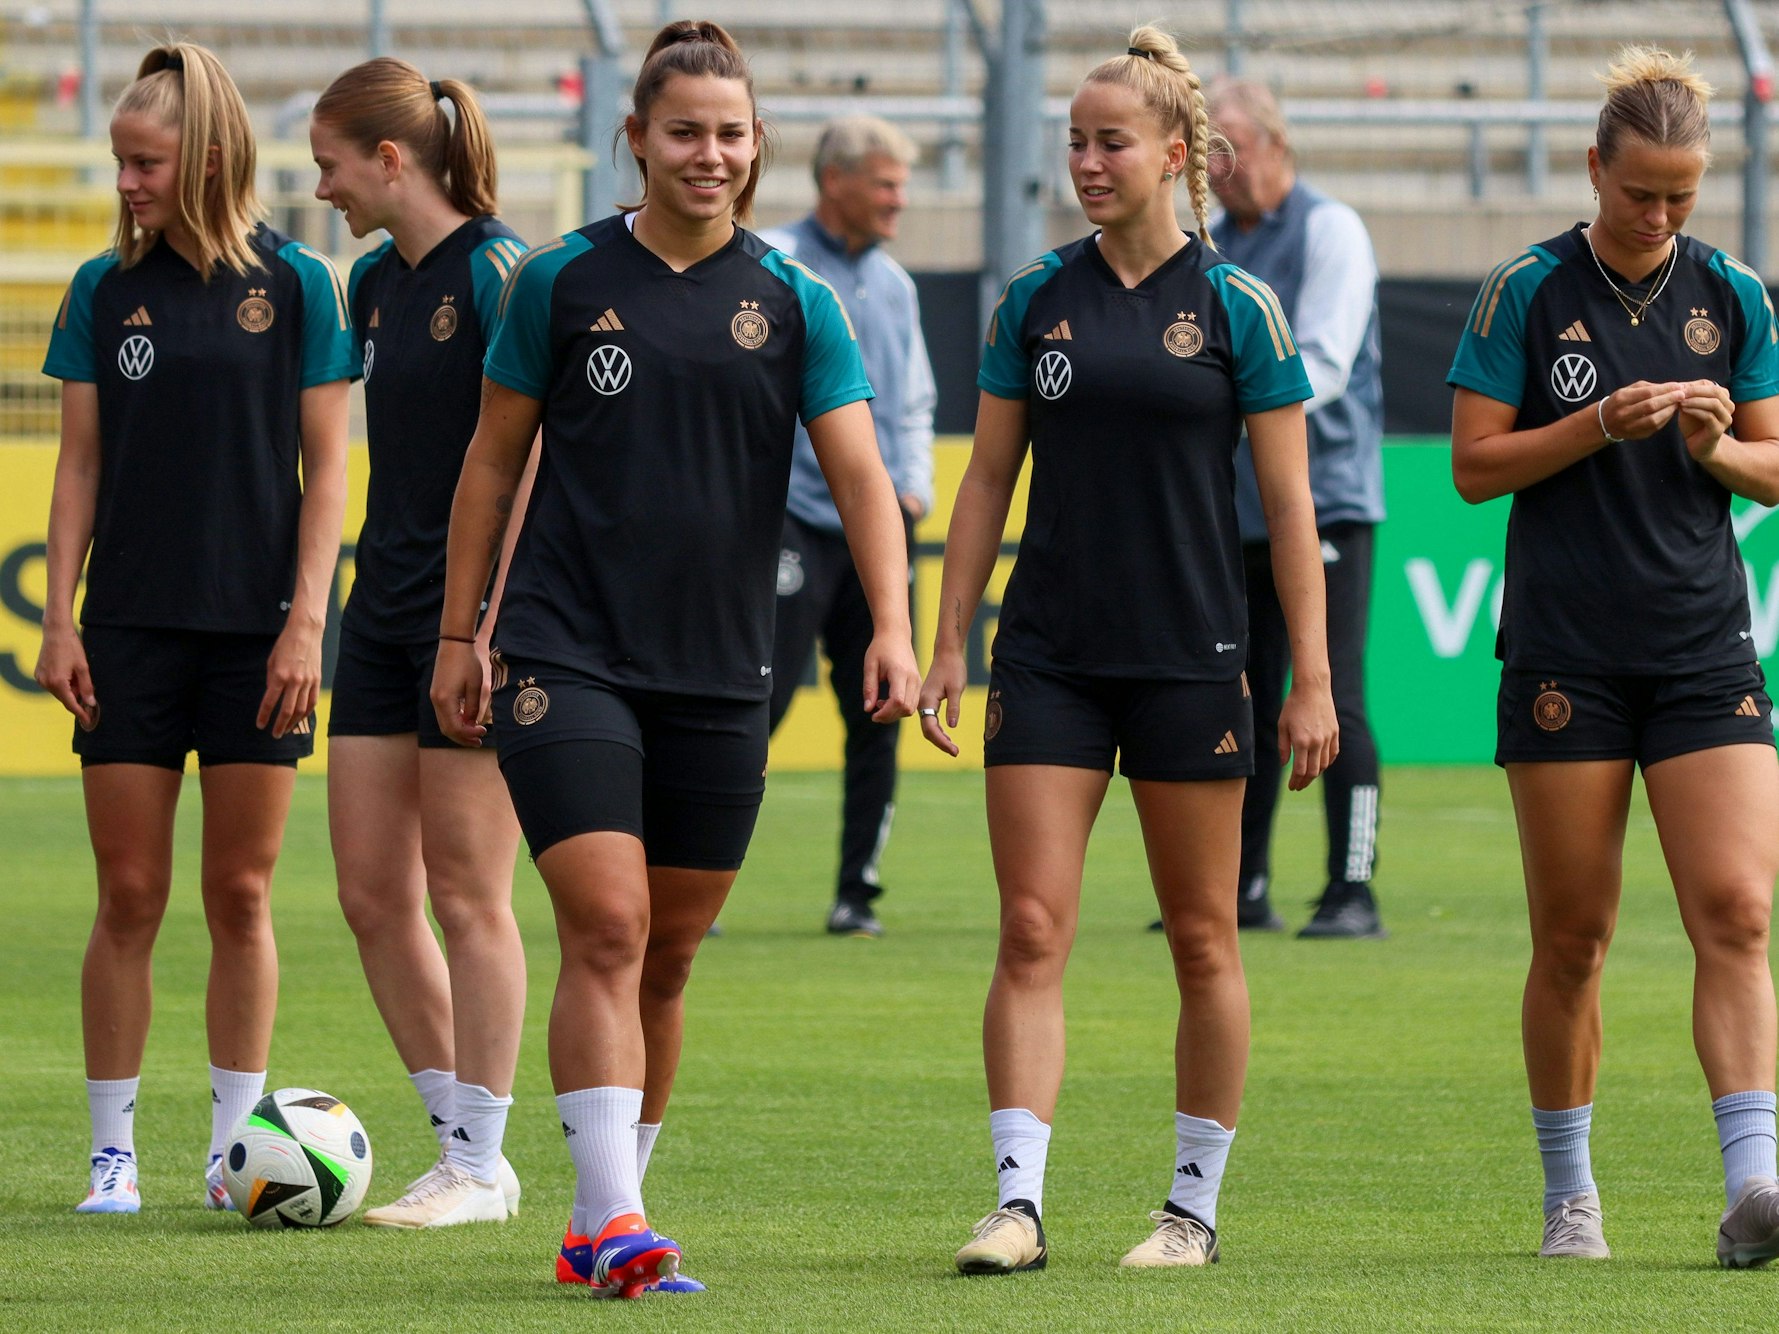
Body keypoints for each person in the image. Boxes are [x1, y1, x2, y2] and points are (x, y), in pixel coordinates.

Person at [428, 19, 920, 1296]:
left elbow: (864, 478)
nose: (711, 154)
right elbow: (489, 463)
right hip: (562, 647)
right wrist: (457, 629)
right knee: (608, 921)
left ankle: (604, 1214)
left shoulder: (799, 299)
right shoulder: (558, 281)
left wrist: (898, 630)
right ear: (635, 139)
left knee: (670, 951)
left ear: (758, 150)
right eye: (686, 131)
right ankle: (618, 1218)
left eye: (732, 134)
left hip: (719, 665)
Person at [920, 26, 1337, 1274]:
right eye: (1076, 142)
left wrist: (1310, 675)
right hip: (1046, 655)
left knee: (1203, 936)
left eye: (1111, 143)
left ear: (1175, 153)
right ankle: (1017, 1204)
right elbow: (988, 477)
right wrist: (952, 637)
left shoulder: (1238, 305)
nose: (1087, 163)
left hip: (1189, 660)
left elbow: (1296, 512)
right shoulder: (1034, 299)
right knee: (1033, 928)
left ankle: (1190, 1210)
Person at [1448, 46, 1779, 1267]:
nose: (1661, 216)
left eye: (1684, 196)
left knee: (1739, 911)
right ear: (1596, 167)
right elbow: (1474, 467)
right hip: (1566, 655)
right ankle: (1571, 1196)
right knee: (1575, 937)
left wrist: (1714, 449)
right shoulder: (1525, 290)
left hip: (1704, 647)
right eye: (1642, 191)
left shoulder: (1735, 292)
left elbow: (1776, 464)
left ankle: (1757, 1184)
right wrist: (1592, 424)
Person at [35, 42, 352, 1215]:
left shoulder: (304, 285)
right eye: (121, 158)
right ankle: (110, 1152)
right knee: (127, 894)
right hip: (126, 631)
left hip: (260, 635)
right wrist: (63, 620)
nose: (125, 179)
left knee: (243, 894)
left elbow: (329, 471)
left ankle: (238, 1150)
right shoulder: (99, 291)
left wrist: (305, 623)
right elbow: (76, 471)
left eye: (145, 160)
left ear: (208, 157)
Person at [309, 58, 530, 1229]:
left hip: (470, 621)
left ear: (391, 160)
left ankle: (482, 1158)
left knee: (467, 891)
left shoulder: (500, 272)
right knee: (368, 891)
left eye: (331, 166)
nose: (323, 189)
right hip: (381, 608)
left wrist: (488, 622)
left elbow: (534, 453)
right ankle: (462, 1148)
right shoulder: (368, 284)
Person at [1205, 78, 1387, 938]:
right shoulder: (1207, 240)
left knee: (1331, 694)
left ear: (1277, 146)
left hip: (1324, 503)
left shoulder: (1329, 229)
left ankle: (1351, 887)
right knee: (1235, 698)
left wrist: (1213, 403)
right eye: (1207, 150)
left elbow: (1324, 360)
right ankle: (1238, 888)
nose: (1217, 166)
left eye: (1231, 147)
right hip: (1231, 509)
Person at [758, 115, 936, 938]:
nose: (900, 201)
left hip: (875, 528)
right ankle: (698, 870)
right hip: (788, 517)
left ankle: (856, 890)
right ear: (836, 182)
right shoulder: (772, 264)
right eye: (886, 184)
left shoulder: (895, 286)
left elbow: (911, 401)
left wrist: (913, 486)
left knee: (882, 705)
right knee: (753, 701)